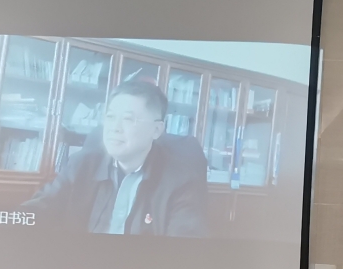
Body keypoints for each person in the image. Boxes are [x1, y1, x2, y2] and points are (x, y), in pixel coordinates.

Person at [23, 80, 207, 237]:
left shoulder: (181, 181)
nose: (114, 128)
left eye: (128, 119)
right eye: (110, 117)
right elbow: (40, 208)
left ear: (156, 130)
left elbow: (185, 245)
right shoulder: (81, 165)